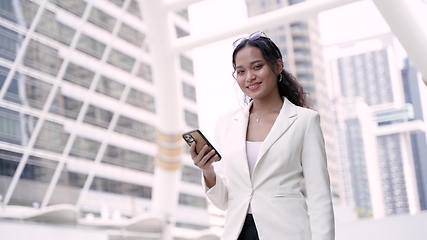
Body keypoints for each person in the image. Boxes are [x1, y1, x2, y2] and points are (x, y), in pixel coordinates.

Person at [190, 31, 335, 240]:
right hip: (238, 232)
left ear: (277, 66)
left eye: (257, 67)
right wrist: (208, 171)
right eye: (241, 71)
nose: (249, 77)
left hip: (287, 232)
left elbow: (320, 197)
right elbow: (224, 201)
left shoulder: (305, 121)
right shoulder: (227, 123)